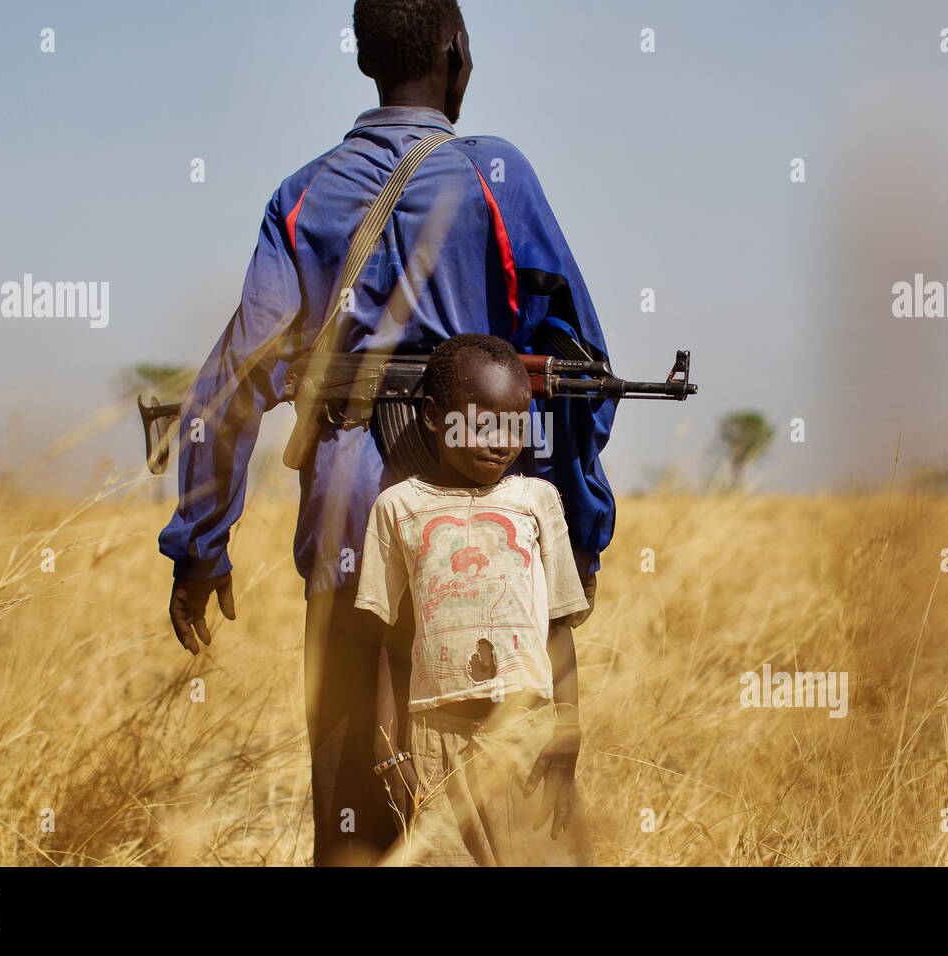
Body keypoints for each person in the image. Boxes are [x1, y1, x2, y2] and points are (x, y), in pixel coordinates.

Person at [158, 0, 616, 866]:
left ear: (367, 60)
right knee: (516, 823)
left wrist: (199, 546)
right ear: (456, 56)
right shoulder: (498, 176)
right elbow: (583, 367)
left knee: (354, 825)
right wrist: (575, 536)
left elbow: (230, 387)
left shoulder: (301, 196)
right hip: (484, 545)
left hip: (346, 530)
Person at [356, 334, 595, 866]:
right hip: (434, 749)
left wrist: (567, 732)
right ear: (433, 416)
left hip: (526, 744)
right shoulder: (397, 509)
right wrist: (386, 748)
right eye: (481, 422)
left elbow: (559, 627)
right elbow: (390, 640)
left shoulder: (536, 502)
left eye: (516, 422)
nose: (501, 440)